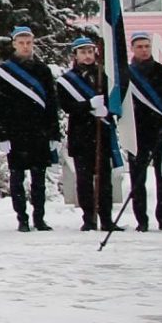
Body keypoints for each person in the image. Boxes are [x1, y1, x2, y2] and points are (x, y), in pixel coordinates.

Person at [0, 26, 61, 233]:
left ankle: (39, 218)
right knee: (17, 177)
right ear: (13, 44)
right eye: (21, 42)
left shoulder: (43, 70)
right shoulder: (4, 72)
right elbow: (0, 107)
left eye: (28, 42)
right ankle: (22, 218)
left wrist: (53, 133)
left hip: (39, 132)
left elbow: (51, 104)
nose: (25, 46)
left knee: (38, 178)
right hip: (16, 132)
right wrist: (3, 135)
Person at [54, 37, 119, 233]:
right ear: (75, 55)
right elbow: (67, 106)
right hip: (81, 135)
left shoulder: (104, 76)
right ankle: (89, 219)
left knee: (104, 180)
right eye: (83, 52)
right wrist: (88, 105)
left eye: (90, 52)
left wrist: (107, 110)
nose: (88, 56)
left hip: (103, 133)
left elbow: (116, 101)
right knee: (84, 180)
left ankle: (106, 219)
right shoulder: (66, 81)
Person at [119, 34, 162, 233]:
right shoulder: (125, 75)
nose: (144, 50)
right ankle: (141, 220)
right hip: (137, 131)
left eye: (146, 46)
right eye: (139, 46)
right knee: (138, 178)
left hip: (160, 130)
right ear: (132, 49)